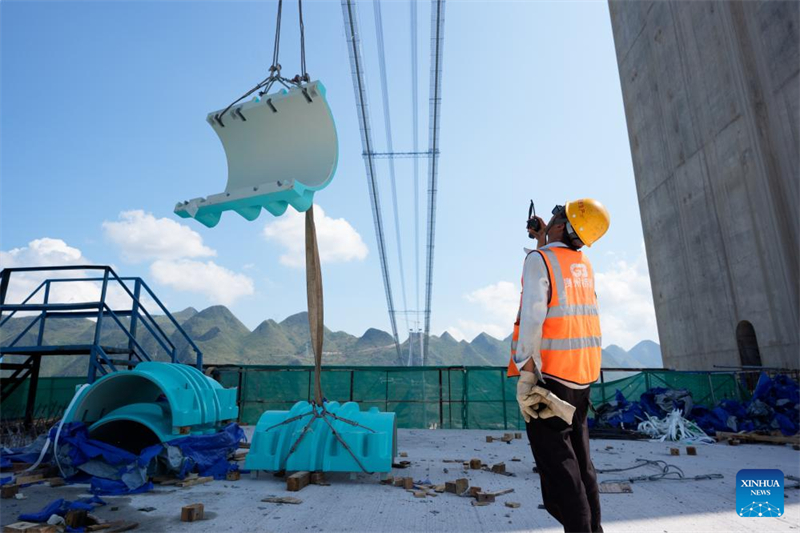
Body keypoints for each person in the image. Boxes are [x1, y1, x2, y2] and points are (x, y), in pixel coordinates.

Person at [507, 199, 610, 533]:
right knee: (582, 464)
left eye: (555, 217)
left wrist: (526, 373)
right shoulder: (582, 263)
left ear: (563, 227)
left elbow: (534, 317)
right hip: (581, 376)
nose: (549, 221)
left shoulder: (541, 260)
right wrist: (541, 240)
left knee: (561, 470)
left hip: (551, 379)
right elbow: (556, 281)